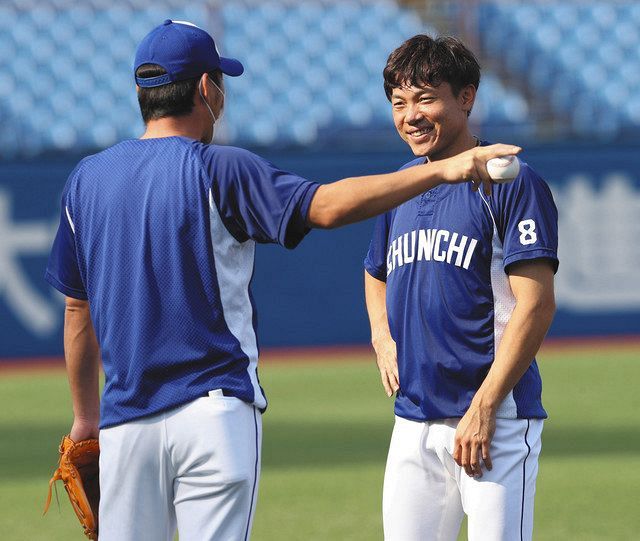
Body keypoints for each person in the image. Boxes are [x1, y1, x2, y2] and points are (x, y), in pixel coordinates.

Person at [45, 20, 519, 541]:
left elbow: (76, 311)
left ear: (143, 93)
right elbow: (327, 206)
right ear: (207, 89)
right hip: (213, 413)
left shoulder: (85, 181)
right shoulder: (219, 169)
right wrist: (442, 170)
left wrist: (85, 419)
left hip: (124, 424)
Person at [364, 35, 558, 541]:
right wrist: (382, 337)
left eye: (426, 98)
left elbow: (535, 305)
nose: (411, 115)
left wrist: (486, 407)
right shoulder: (402, 183)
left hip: (495, 418)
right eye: (399, 102)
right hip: (412, 418)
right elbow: (374, 271)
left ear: (466, 98)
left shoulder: (511, 182)